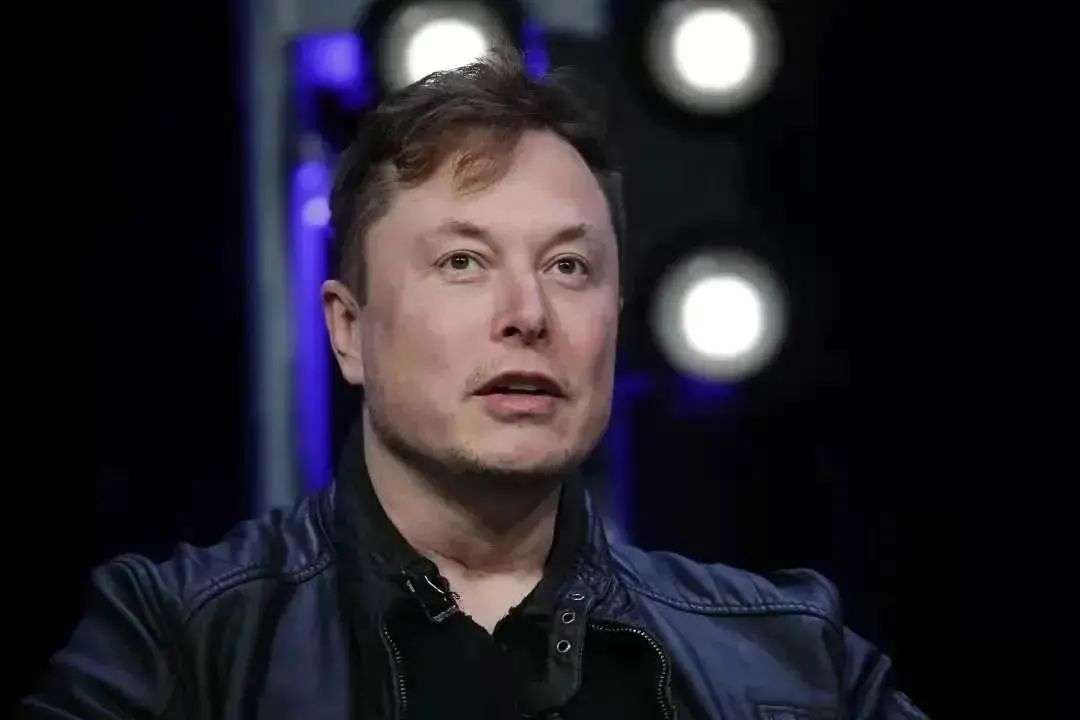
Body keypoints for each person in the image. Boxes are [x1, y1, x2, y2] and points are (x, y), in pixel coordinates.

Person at [24, 47, 927, 719]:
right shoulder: (178, 644)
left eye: (569, 267)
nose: (528, 314)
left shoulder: (793, 660)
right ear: (348, 331)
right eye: (463, 262)